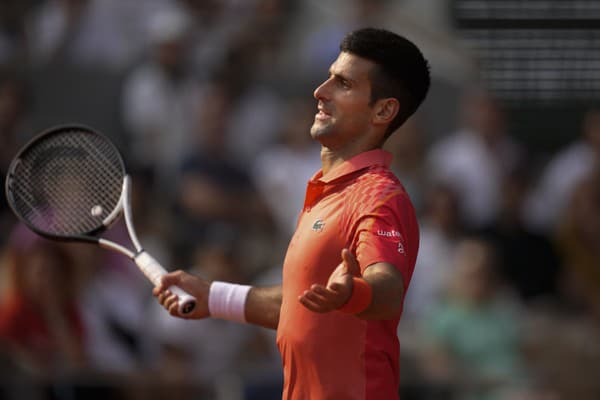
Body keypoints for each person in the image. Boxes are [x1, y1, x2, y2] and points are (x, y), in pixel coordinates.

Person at [154, 27, 430, 399]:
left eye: (343, 84)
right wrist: (214, 297)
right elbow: (304, 303)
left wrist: (355, 294)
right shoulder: (327, 192)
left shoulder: (378, 197)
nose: (321, 91)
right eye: (329, 76)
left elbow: (387, 290)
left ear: (383, 110)